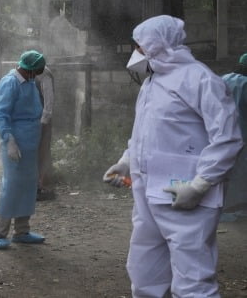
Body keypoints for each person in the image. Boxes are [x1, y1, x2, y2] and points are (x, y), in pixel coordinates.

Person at [103, 15, 243, 297]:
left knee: (193, 281)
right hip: (149, 195)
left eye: (140, 46)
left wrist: (200, 185)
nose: (136, 53)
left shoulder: (200, 79)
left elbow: (228, 138)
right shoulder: (151, 83)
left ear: (156, 45)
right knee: (144, 273)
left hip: (186, 197)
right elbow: (144, 133)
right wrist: (127, 161)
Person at [0, 50, 47, 249]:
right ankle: (0, 232)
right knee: (12, 186)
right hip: (16, 141)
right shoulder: (10, 83)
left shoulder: (29, 82)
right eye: (37, 71)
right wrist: (9, 140)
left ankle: (22, 230)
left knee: (28, 185)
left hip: (30, 142)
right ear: (29, 69)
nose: (38, 75)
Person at [221, 53, 247, 212]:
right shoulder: (245, 84)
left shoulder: (223, 79)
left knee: (225, 170)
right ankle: (238, 207)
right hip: (242, 133)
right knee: (241, 171)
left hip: (221, 133)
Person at [35, 64, 55, 201]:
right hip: (34, 119)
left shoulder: (44, 74)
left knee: (43, 152)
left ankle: (44, 186)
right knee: (37, 152)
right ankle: (36, 185)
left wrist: (44, 120)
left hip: (42, 120)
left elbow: (48, 99)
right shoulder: (33, 72)